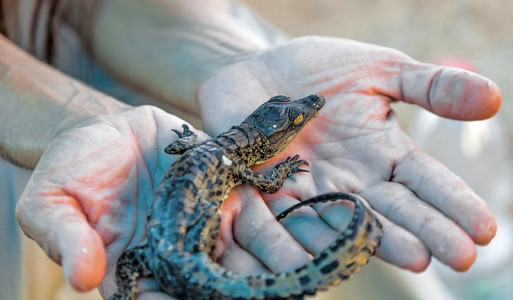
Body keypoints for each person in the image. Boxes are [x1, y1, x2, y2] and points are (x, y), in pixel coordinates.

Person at [0, 0, 501, 299]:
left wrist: (230, 56)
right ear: (269, 137)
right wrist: (67, 118)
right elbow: (256, 176)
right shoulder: (231, 157)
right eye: (295, 119)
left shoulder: (221, 152)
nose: (305, 110)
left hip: (172, 230)